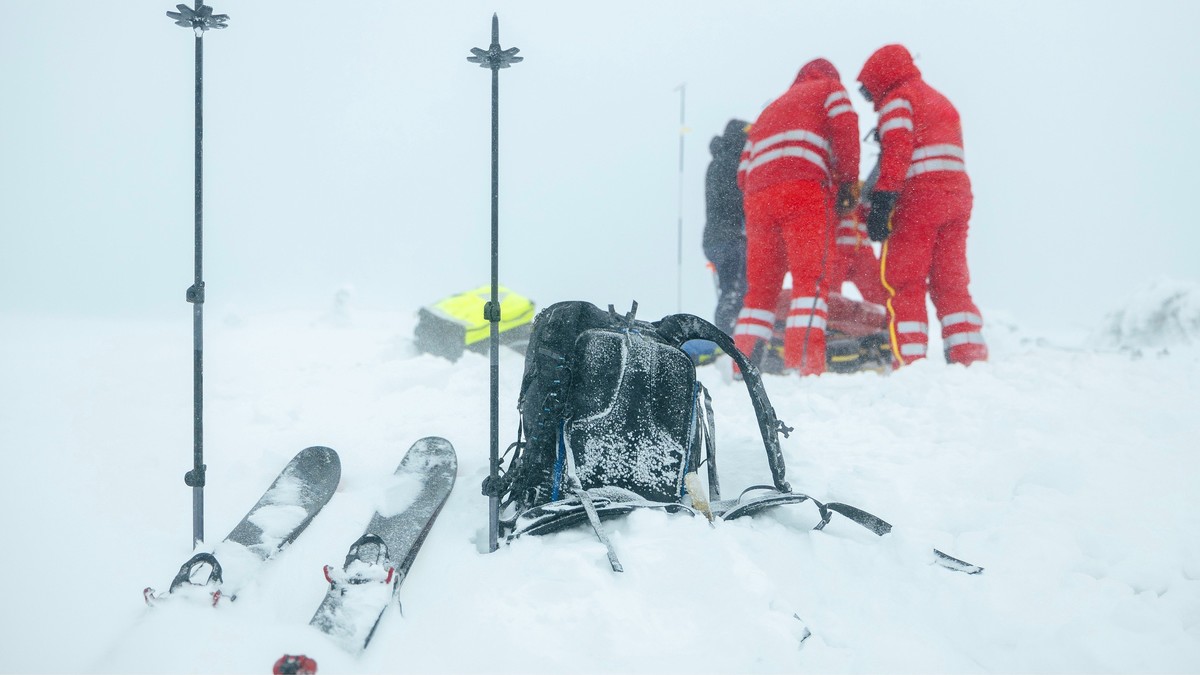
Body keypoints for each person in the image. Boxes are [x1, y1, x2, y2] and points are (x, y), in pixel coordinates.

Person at [857, 44, 988, 366]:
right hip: (957, 199)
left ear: (881, 78)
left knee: (905, 281)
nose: (872, 102)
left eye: (869, 92)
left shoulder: (898, 100)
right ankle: (969, 358)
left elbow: (897, 153)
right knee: (951, 283)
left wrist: (882, 203)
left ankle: (911, 363)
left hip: (918, 201)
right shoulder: (941, 101)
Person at [733, 58, 859, 376]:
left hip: (757, 199)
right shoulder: (830, 89)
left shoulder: (769, 110)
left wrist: (764, 189)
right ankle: (802, 365)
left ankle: (742, 367)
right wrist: (847, 182)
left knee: (760, 292)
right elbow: (846, 130)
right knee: (809, 282)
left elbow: (742, 172)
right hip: (804, 190)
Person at [703, 119, 750, 338]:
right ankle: (730, 335)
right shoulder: (731, 162)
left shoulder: (719, 161)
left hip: (716, 237)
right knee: (735, 289)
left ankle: (728, 333)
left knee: (730, 288)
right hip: (730, 236)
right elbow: (734, 200)